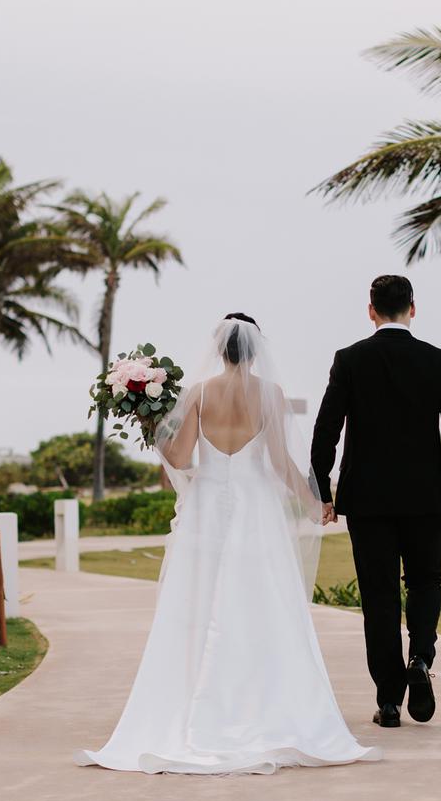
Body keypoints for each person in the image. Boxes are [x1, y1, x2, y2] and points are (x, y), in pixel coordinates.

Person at [75, 313, 381, 774]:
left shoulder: (199, 393)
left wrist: (153, 427)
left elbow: (180, 458)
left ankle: (195, 704)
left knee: (197, 603)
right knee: (261, 603)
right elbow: (280, 461)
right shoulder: (270, 394)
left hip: (207, 508)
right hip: (256, 507)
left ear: (219, 350)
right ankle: (257, 704)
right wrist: (316, 501)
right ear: (257, 351)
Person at [310, 275, 441, 728]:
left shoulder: (349, 359)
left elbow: (326, 430)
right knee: (425, 582)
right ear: (412, 308)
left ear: (371, 310)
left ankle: (388, 700)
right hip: (423, 496)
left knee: (379, 595)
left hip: (367, 500)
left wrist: (322, 489)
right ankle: (420, 657)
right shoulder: (437, 360)